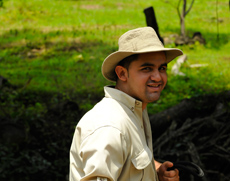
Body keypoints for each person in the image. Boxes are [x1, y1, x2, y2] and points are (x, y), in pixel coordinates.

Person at [70, 27, 183, 181]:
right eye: (147, 68)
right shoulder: (110, 126)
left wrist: (156, 172)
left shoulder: (133, 111)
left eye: (162, 68)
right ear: (122, 73)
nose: (158, 77)